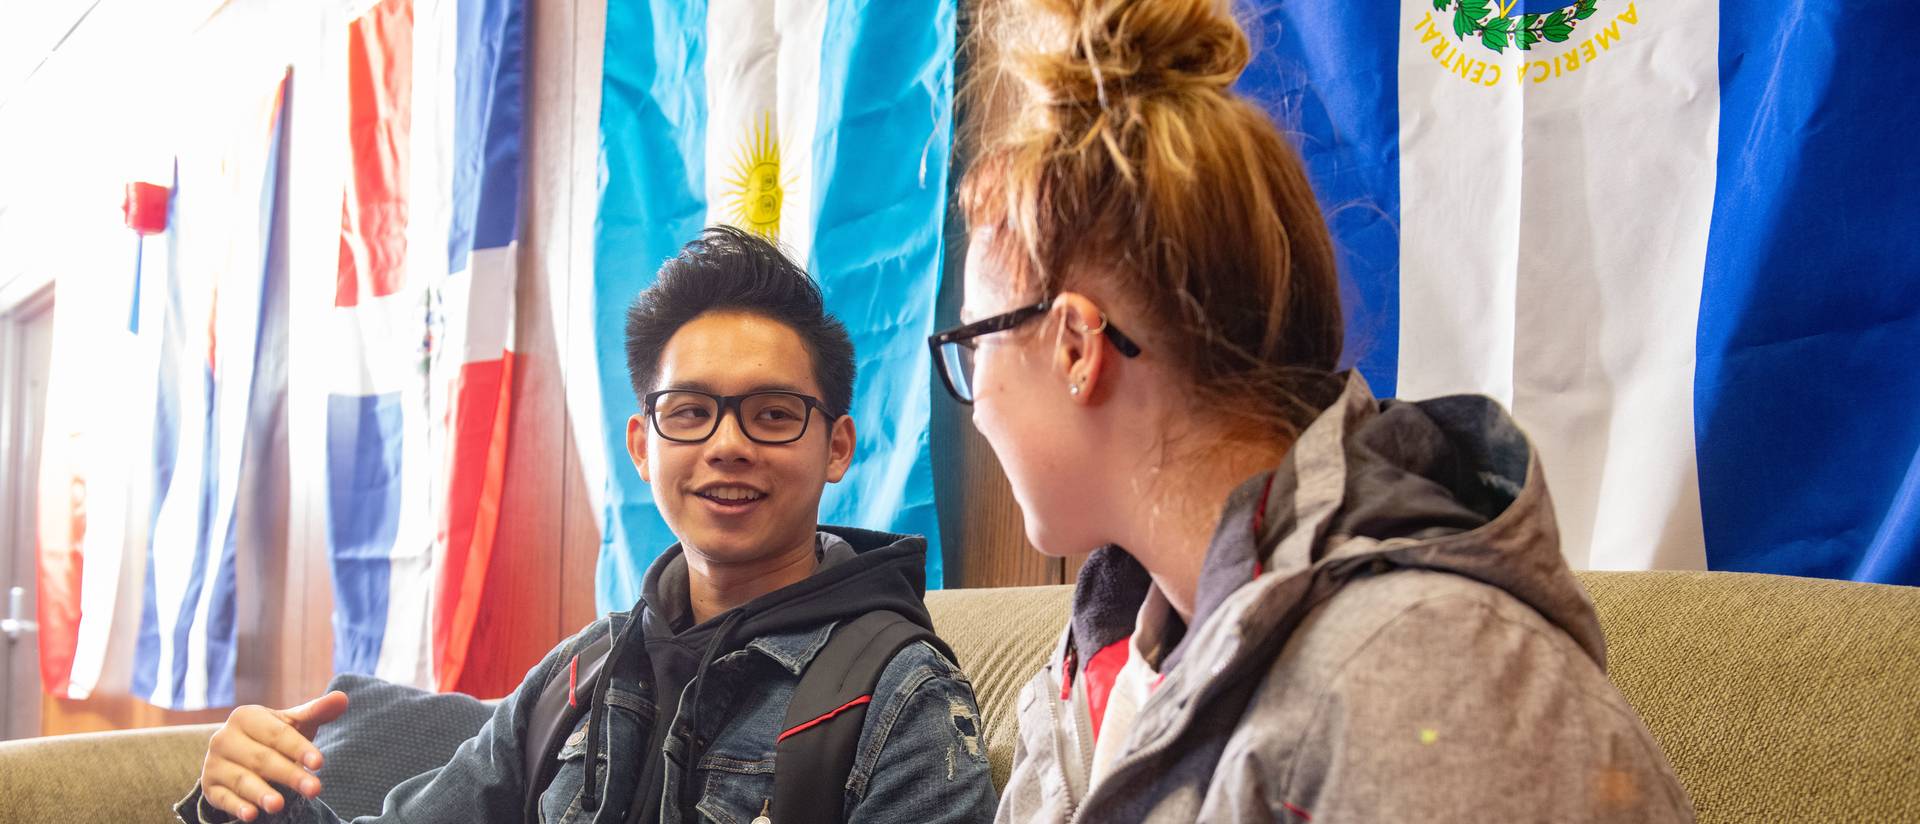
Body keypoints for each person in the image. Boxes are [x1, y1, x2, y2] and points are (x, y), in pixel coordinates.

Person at [929, 0, 1694, 820]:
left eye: (976, 345)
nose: (977, 411)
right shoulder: (1113, 653)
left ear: (1077, 345)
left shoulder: (1432, 679)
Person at [183, 226, 997, 824]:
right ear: (644, 448)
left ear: (837, 448)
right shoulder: (580, 674)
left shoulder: (900, 698)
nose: (727, 446)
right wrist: (254, 794)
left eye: (773, 415)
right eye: (691, 413)